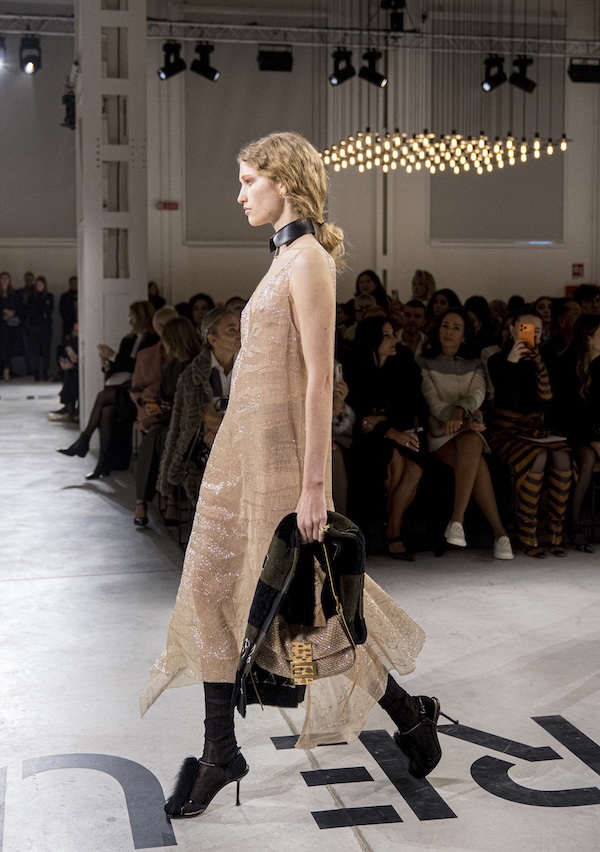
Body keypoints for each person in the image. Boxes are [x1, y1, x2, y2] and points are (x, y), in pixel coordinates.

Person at [141, 131, 444, 821]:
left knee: (311, 620)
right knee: (210, 593)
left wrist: (313, 487)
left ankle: (409, 711)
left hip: (281, 467)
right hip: (237, 462)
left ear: (285, 181)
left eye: (250, 180)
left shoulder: (309, 260)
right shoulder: (281, 257)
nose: (240, 193)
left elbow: (316, 383)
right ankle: (221, 750)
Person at [418, 309, 513, 559]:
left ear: (465, 335)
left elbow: (478, 394)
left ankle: (457, 521)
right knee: (476, 462)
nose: (449, 332)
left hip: (468, 427)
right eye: (445, 325)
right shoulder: (424, 362)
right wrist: (457, 417)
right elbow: (432, 401)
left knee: (472, 443)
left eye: (456, 328)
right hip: (440, 432)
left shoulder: (475, 363)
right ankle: (499, 533)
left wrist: (461, 412)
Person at [487, 306, 573, 558]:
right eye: (525, 328)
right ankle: (526, 532)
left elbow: (546, 402)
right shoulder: (497, 360)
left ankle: (555, 532)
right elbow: (510, 400)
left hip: (536, 430)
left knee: (563, 455)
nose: (531, 334)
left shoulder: (546, 358)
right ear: (512, 329)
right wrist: (512, 364)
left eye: (537, 330)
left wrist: (537, 365)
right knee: (538, 456)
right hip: (505, 432)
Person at [346, 316, 428, 560]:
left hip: (402, 427)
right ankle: (393, 533)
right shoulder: (355, 366)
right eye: (386, 335)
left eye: (393, 333)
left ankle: (391, 526)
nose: (394, 339)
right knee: (395, 460)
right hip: (367, 437)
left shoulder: (402, 361)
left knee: (415, 469)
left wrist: (384, 421)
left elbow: (412, 404)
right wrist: (388, 431)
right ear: (371, 340)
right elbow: (359, 416)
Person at [57, 301, 158, 479]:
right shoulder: (128, 340)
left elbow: (138, 368)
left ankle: (85, 442)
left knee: (102, 397)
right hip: (123, 388)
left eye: (132, 315)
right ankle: (101, 463)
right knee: (106, 411)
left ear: (141, 317)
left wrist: (113, 355)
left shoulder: (153, 341)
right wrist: (107, 365)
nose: (129, 319)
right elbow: (120, 367)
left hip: (139, 392)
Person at [157, 307, 241, 513]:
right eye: (231, 330)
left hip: (241, 440)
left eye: (240, 328)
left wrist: (222, 430)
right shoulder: (194, 376)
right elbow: (202, 419)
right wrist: (217, 428)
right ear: (213, 339)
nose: (239, 334)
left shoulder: (250, 368)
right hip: (205, 446)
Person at [133, 316, 202, 527]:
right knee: (154, 436)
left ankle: (157, 501)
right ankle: (152, 501)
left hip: (190, 424)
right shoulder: (172, 366)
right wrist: (153, 409)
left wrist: (155, 415)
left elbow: (190, 407)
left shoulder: (197, 366)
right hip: (170, 419)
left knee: (161, 438)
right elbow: (166, 398)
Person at [550, 314, 600, 552]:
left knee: (591, 452)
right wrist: (594, 438)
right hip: (567, 430)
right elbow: (566, 413)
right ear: (588, 338)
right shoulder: (565, 364)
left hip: (592, 432)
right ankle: (573, 523)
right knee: (588, 456)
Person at [26, 276, 54, 381]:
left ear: (44, 285)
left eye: (41, 284)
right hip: (34, 327)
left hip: (46, 327)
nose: (39, 286)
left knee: (45, 350)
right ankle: (37, 373)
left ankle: (45, 372)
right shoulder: (31, 297)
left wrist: (41, 312)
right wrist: (41, 312)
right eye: (37, 284)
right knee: (35, 351)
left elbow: (49, 310)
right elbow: (31, 310)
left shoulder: (49, 296)